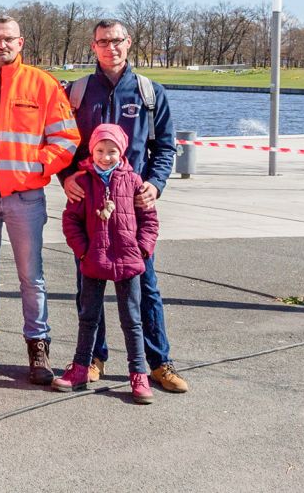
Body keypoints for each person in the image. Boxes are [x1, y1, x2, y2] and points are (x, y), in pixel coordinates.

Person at [59, 19, 187, 393]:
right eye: (103, 42)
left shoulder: (149, 93)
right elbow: (62, 142)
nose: (110, 48)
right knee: (89, 288)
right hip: (90, 207)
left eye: (117, 41)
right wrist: (66, 176)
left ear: (128, 43)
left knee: (146, 288)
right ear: (93, 46)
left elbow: (165, 148)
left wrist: (156, 185)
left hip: (132, 209)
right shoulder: (78, 92)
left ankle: (158, 362)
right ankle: (93, 358)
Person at [0, 17, 81, 385]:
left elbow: (67, 138)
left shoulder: (41, 84)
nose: (2, 45)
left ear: (21, 42)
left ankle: (37, 345)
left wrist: (40, 167)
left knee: (32, 276)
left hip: (25, 196)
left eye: (8, 39)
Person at [54, 124, 159, 404]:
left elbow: (149, 220)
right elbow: (70, 220)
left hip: (128, 260)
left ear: (121, 152)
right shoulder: (84, 182)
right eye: (100, 150)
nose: (105, 157)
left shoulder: (134, 181)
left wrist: (143, 251)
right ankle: (80, 367)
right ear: (92, 151)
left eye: (112, 151)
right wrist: (83, 251)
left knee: (132, 320)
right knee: (89, 317)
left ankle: (138, 374)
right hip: (94, 259)